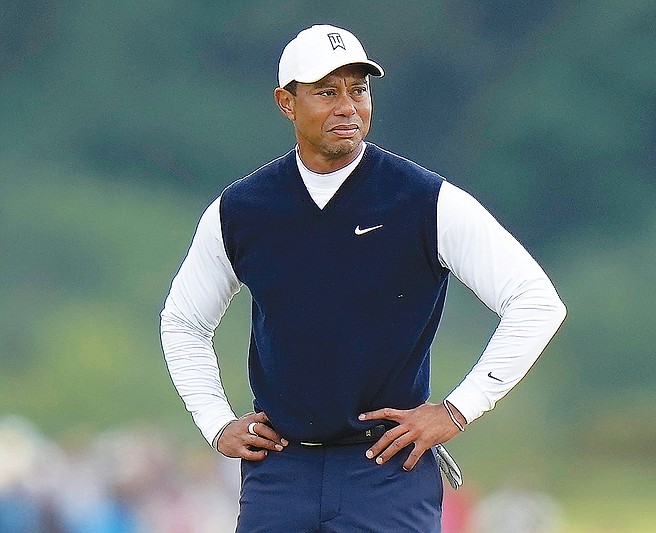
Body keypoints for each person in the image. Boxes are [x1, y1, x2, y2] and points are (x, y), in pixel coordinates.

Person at [160, 24, 566, 533]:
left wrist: (456, 411)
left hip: (387, 469)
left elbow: (536, 302)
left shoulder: (424, 201)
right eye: (326, 92)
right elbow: (183, 322)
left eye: (360, 89)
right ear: (286, 103)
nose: (348, 107)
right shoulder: (241, 209)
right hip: (280, 471)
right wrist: (215, 421)